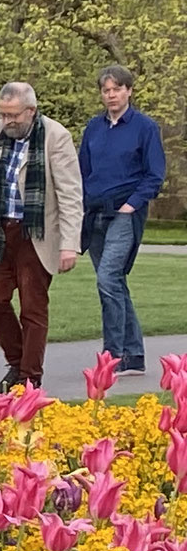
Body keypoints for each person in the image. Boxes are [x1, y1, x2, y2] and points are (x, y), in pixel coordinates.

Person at [0, 80, 82, 393]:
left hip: (37, 231)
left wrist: (69, 245)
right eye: (3, 114)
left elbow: (71, 193)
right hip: (1, 229)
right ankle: (17, 363)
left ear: (31, 111)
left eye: (14, 115)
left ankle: (29, 379)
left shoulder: (55, 136)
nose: (7, 121)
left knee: (33, 307)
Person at [78, 64, 166, 375]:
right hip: (95, 213)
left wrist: (131, 206)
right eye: (106, 90)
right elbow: (82, 170)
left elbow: (154, 175)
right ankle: (134, 356)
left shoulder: (144, 127)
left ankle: (112, 355)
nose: (111, 94)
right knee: (114, 282)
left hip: (124, 213)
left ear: (128, 91)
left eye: (117, 89)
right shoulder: (93, 127)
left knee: (107, 280)